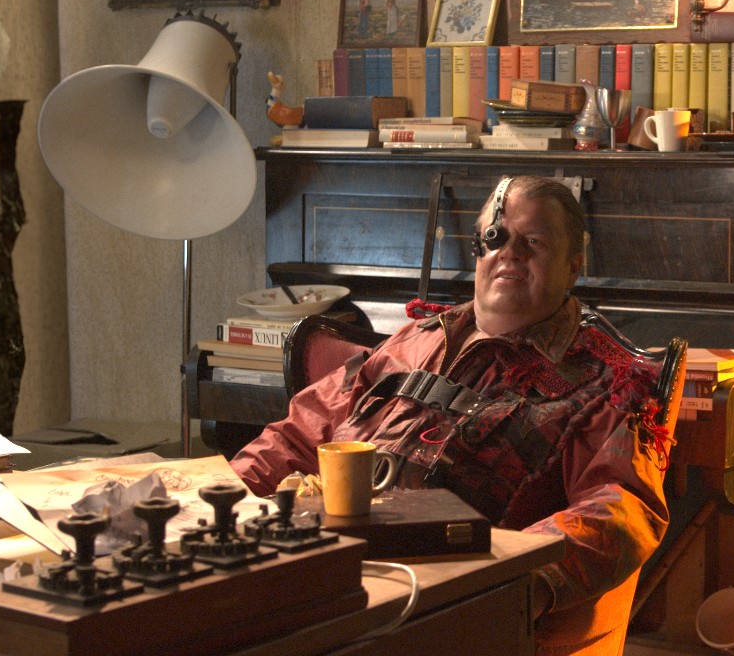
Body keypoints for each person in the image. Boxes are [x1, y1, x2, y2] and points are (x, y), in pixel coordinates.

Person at [231, 175, 669, 656]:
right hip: (321, 569)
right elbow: (298, 434)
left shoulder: (611, 382)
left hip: (447, 607)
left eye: (534, 242)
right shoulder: (415, 340)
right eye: (496, 238)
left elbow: (619, 508)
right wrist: (223, 497)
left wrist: (515, 578)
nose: (509, 253)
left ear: (573, 267)